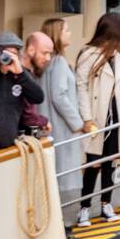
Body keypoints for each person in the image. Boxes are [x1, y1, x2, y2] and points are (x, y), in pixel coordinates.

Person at [74, 14, 120, 227]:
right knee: (94, 162)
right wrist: (87, 118)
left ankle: (106, 204)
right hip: (97, 115)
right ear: (114, 32)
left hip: (117, 114)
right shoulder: (88, 54)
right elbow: (81, 87)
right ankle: (84, 207)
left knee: (112, 160)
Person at [37, 19, 84, 197]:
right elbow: (59, 96)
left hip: (49, 121)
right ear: (57, 34)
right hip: (60, 125)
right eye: (66, 30)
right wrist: (77, 122)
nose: (70, 33)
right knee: (62, 172)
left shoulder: (46, 64)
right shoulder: (58, 63)